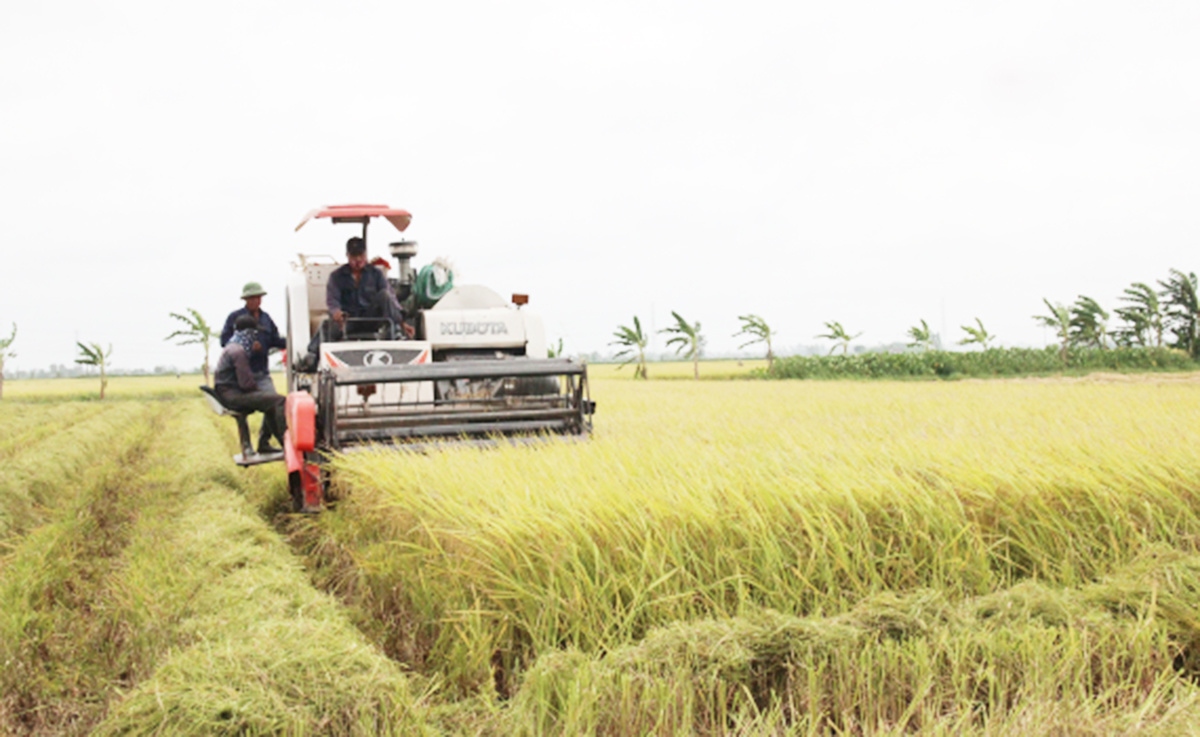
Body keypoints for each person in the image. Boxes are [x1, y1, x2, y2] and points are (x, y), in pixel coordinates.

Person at [215, 315, 286, 454]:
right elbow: (246, 384)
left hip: (228, 394)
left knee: (270, 401)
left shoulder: (232, 347)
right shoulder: (239, 352)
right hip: (233, 396)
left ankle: (268, 444)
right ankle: (285, 442)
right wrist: (260, 392)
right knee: (279, 400)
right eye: (254, 333)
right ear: (248, 333)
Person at [325, 236, 409, 340]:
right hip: (349, 320)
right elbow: (332, 300)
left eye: (361, 255)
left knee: (384, 294)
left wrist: (401, 321)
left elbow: (390, 297)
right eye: (354, 256)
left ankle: (396, 331)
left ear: (365, 254)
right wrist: (336, 312)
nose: (358, 259)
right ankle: (312, 353)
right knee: (326, 325)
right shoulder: (336, 276)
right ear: (347, 256)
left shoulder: (376, 274)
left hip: (371, 319)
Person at [220, 281, 287, 393]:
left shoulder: (266, 318)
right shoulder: (235, 317)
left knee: (274, 403)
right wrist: (246, 346)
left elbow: (276, 340)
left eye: (257, 298)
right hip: (238, 375)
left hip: (261, 373)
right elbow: (224, 342)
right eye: (251, 298)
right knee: (239, 407)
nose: (255, 301)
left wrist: (294, 342)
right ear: (245, 299)